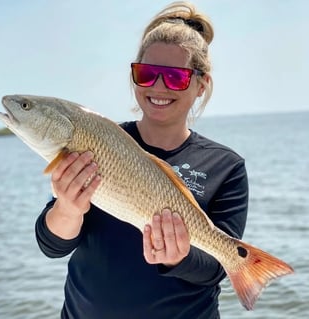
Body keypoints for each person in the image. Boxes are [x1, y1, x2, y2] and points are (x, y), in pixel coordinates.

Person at [35, 1, 248, 318]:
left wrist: (179, 257)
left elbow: (217, 269)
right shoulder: (98, 142)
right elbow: (52, 246)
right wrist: (67, 208)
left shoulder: (226, 166)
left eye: (175, 78)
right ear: (134, 75)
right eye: (147, 73)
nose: (159, 87)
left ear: (201, 85)